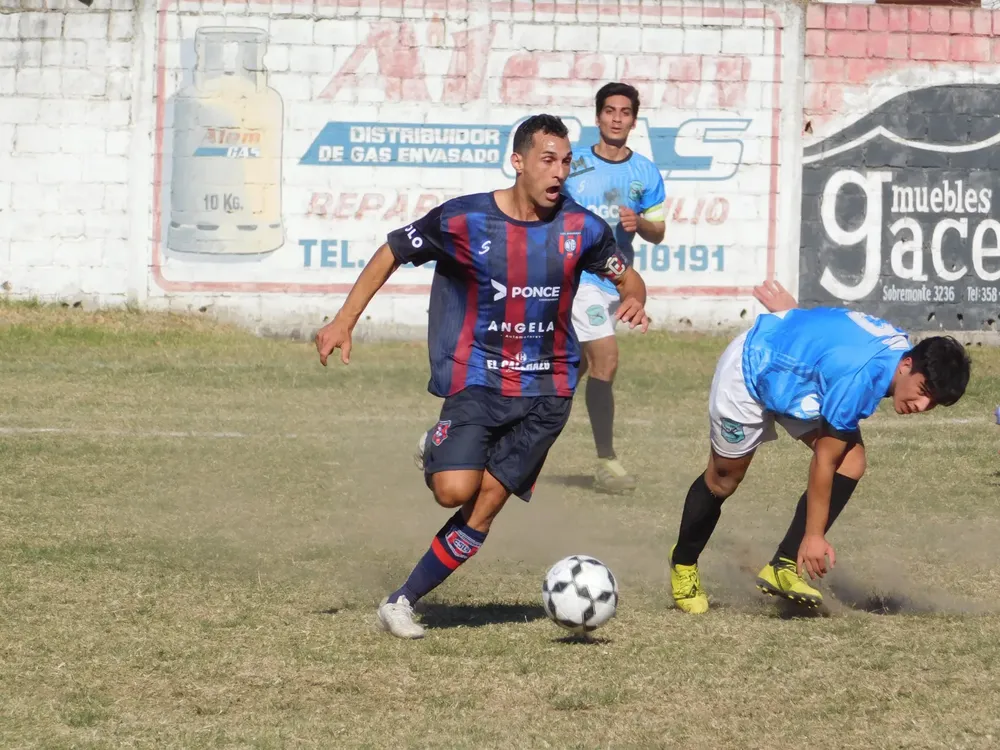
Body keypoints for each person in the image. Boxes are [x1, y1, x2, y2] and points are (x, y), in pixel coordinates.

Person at [315, 114, 651, 639]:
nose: (558, 172)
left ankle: (402, 601)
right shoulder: (464, 219)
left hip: (550, 389)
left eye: (565, 161)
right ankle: (439, 448)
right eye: (547, 160)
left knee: (486, 506)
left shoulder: (582, 228)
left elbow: (627, 274)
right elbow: (393, 251)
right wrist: (344, 319)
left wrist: (634, 296)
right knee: (453, 491)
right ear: (518, 163)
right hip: (480, 377)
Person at [669, 280, 972, 614]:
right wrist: (814, 536)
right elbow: (824, 460)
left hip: (801, 382)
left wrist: (793, 316)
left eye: (934, 401)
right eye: (923, 390)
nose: (922, 404)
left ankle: (782, 567)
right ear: (906, 366)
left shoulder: (899, 348)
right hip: (753, 369)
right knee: (723, 480)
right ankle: (683, 563)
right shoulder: (859, 378)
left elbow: (835, 330)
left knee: (852, 460)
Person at [562, 82, 667, 494]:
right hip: (579, 281)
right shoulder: (576, 165)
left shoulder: (645, 172)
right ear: (598, 117)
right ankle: (607, 462)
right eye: (610, 111)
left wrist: (637, 224)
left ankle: (512, 424)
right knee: (605, 361)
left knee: (572, 370)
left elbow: (657, 231)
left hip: (616, 281)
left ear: (634, 120)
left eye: (625, 112)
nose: (617, 118)